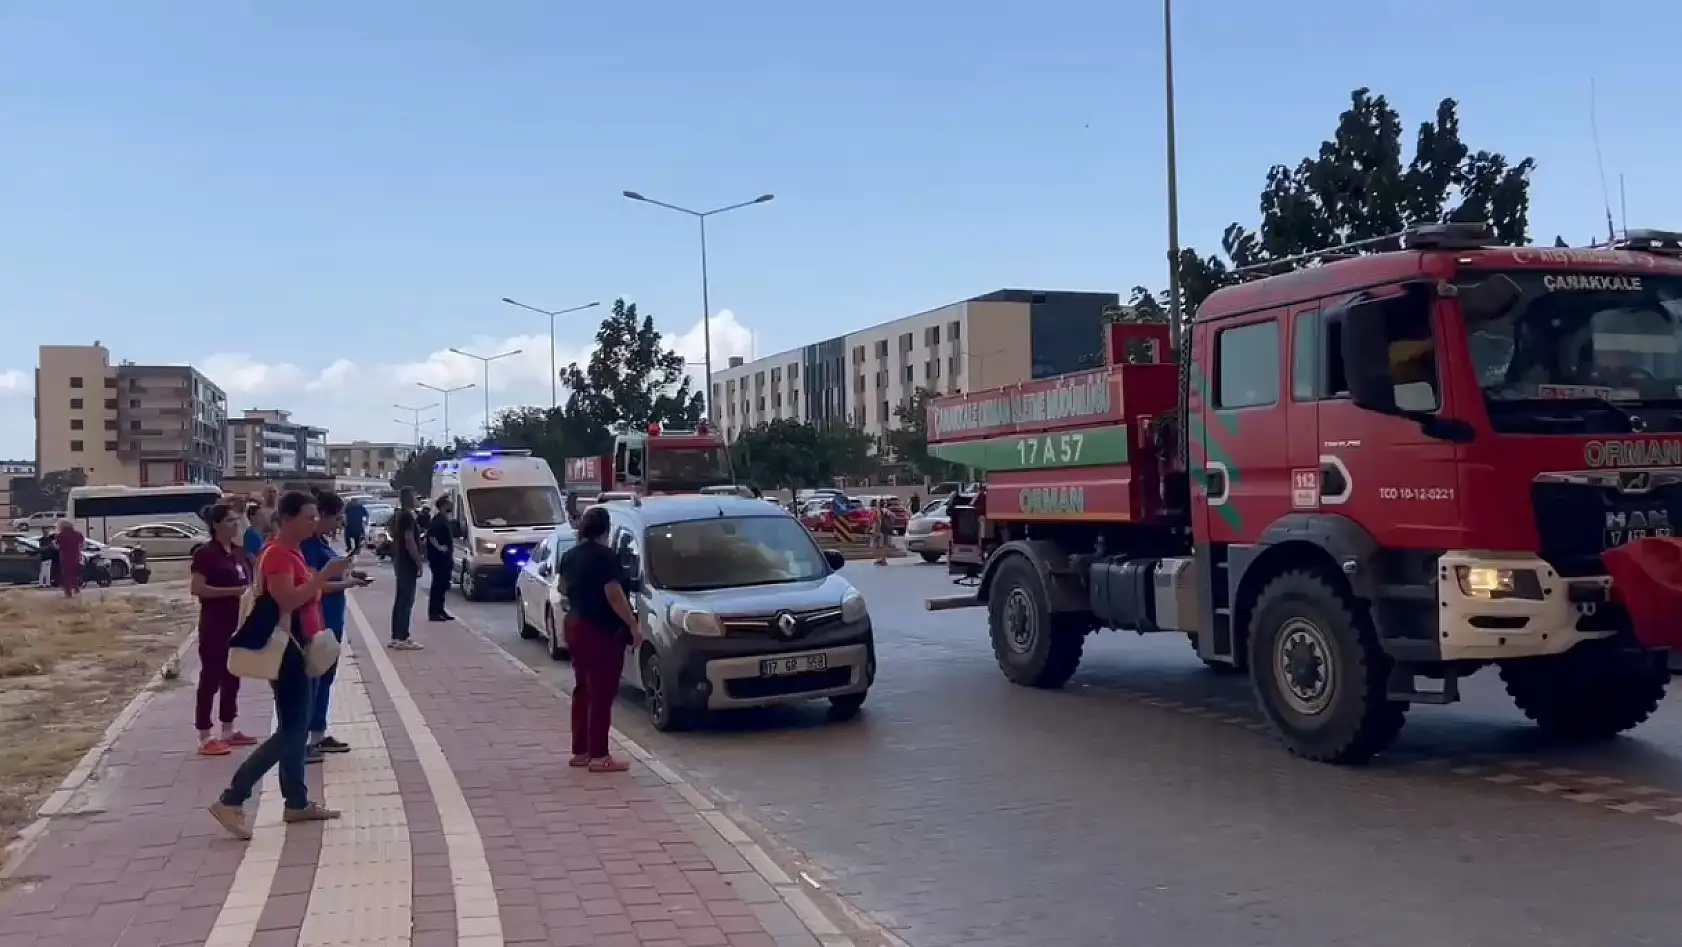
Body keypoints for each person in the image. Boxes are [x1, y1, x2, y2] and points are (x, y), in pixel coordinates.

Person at [208, 490, 347, 840]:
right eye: (308, 517)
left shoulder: (293, 551)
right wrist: (321, 577)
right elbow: (288, 599)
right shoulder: (279, 555)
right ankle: (233, 797)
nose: (315, 523)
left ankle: (296, 802)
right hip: (290, 652)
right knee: (291, 731)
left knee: (295, 728)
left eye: (317, 517)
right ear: (286, 519)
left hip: (304, 647)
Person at [558, 506, 639, 773]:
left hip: (575, 625)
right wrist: (633, 626)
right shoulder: (606, 557)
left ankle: (580, 751)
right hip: (600, 629)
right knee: (602, 692)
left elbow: (562, 590)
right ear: (605, 529)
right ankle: (599, 755)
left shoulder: (569, 556)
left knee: (583, 687)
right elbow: (614, 595)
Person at [301, 491, 370, 759]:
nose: (338, 524)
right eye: (336, 518)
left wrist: (350, 573)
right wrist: (347, 583)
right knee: (313, 679)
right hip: (318, 619)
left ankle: (318, 733)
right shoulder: (307, 547)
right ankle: (305, 738)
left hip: (332, 619)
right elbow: (315, 584)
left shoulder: (320, 542)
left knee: (325, 677)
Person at [190, 503, 257, 756]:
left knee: (233, 675)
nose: (235, 524)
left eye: (236, 520)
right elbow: (197, 588)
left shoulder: (239, 553)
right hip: (215, 623)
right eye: (229, 520)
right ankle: (205, 734)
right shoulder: (206, 554)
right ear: (216, 524)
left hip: (237, 622)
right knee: (211, 677)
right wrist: (232, 592)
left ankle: (228, 728)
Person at [388, 487, 426, 650]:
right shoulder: (407, 517)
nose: (417, 498)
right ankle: (401, 636)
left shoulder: (399, 515)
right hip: (407, 563)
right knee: (406, 600)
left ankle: (398, 635)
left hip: (400, 561)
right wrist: (418, 561)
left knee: (401, 599)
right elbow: (409, 540)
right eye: (415, 496)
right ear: (409, 498)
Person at [426, 496, 455, 622]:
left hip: (445, 558)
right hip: (438, 559)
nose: (451, 505)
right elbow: (431, 536)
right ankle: (434, 612)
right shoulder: (437, 520)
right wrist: (439, 548)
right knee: (438, 584)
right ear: (443, 505)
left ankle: (440, 609)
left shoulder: (444, 519)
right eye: (449, 503)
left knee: (443, 584)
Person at [55, 520, 84, 598]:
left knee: (66, 576)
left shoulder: (60, 536)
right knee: (74, 575)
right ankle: (76, 589)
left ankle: (68, 593)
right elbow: (82, 545)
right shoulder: (78, 534)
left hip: (65, 558)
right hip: (76, 557)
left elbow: (58, 547)